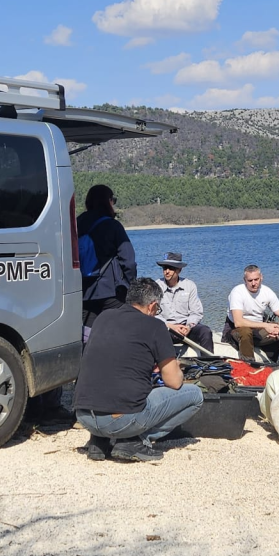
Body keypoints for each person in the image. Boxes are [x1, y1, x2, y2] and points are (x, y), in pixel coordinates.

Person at [73, 278, 204, 462]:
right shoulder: (156, 326)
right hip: (118, 420)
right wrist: (178, 369)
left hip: (84, 416)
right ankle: (134, 441)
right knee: (195, 396)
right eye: (157, 310)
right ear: (152, 306)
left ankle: (100, 441)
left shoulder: (103, 317)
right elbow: (173, 382)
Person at [76, 185, 137, 332]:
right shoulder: (112, 225)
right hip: (110, 291)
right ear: (108, 201)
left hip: (83, 292)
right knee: (118, 332)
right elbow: (128, 261)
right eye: (113, 200)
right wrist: (129, 286)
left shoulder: (77, 223)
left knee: (88, 337)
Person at [226, 266, 279, 363]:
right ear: (245, 280)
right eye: (250, 280)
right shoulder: (237, 292)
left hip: (258, 330)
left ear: (261, 277)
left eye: (256, 279)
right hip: (236, 330)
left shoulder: (267, 292)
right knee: (245, 331)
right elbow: (238, 322)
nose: (253, 283)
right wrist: (266, 325)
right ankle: (249, 367)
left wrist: (278, 328)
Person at [155, 252, 214, 352]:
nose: (167, 271)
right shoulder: (156, 286)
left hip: (186, 327)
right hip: (166, 328)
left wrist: (188, 327)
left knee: (205, 331)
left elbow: (196, 312)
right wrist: (170, 326)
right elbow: (152, 314)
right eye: (165, 268)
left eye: (171, 268)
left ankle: (208, 364)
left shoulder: (190, 286)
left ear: (179, 270)